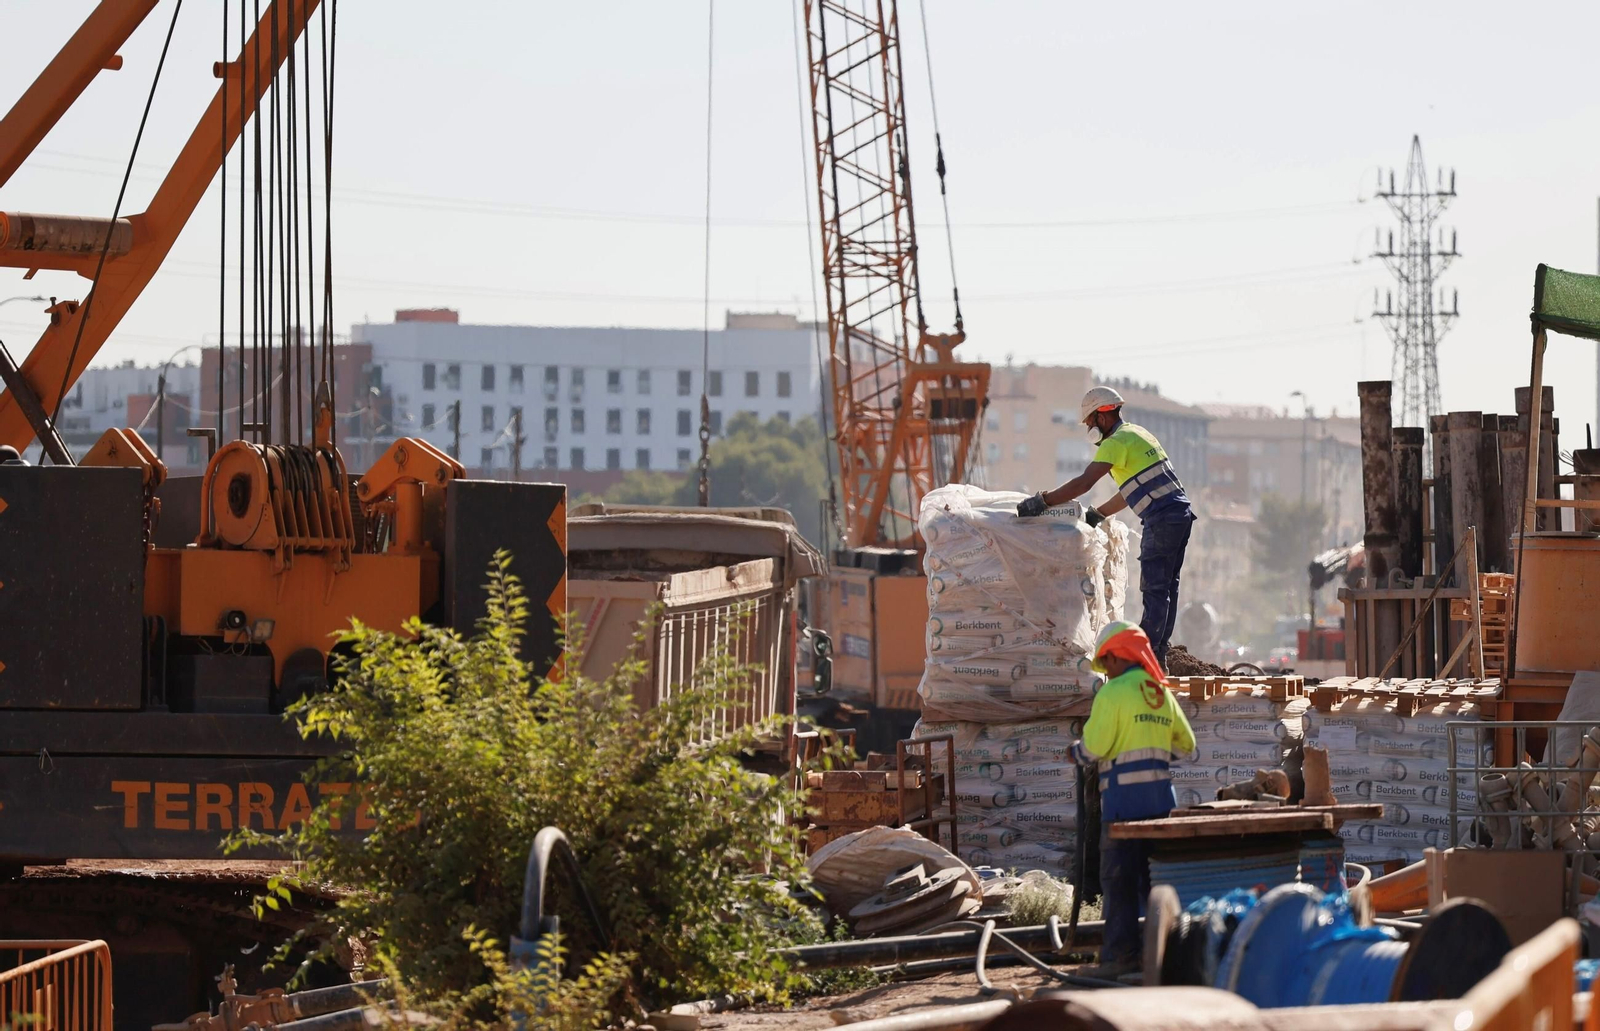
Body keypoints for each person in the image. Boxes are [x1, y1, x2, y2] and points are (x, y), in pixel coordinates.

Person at [1016, 386, 1195, 665]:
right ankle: (1157, 654)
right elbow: (1131, 490)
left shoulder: (1115, 443)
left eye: (1090, 422)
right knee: (1167, 587)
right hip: (1179, 514)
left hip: (1161, 517)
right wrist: (1098, 513)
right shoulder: (1137, 434)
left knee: (1155, 588)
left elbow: (1084, 482)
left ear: (1102, 416)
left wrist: (1043, 501)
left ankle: (1144, 658)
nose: (1090, 429)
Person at [1069, 619, 1196, 975]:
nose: (1106, 669)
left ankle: (1120, 959)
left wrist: (1075, 753)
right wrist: (1155, 753)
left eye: (1107, 660)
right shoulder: (1160, 692)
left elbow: (1095, 746)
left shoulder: (1112, 694)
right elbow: (1187, 745)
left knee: (1119, 883)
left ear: (1118, 656)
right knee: (1154, 884)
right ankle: (1160, 957)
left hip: (1122, 808)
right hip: (1160, 808)